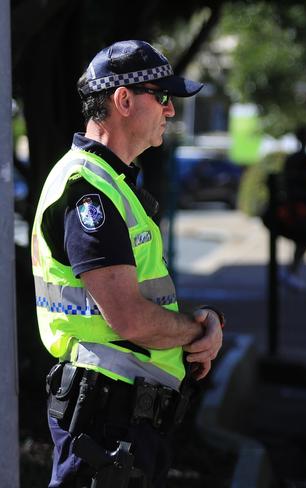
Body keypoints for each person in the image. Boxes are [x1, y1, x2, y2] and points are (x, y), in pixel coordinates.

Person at [31, 40, 224, 487]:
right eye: (162, 97)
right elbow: (130, 318)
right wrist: (199, 332)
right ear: (123, 100)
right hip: (104, 422)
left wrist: (205, 323)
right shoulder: (89, 191)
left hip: (119, 421)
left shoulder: (110, 181)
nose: (170, 111)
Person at [278, 126, 306, 290]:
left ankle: (291, 271)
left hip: (295, 204)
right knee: (304, 238)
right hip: (302, 206)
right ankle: (291, 271)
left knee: (302, 240)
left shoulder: (293, 159)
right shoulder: (305, 161)